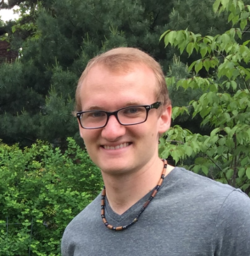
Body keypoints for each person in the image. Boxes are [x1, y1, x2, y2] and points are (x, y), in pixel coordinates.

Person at [61, 47, 250, 256]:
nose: (112, 131)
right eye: (96, 113)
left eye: (132, 111)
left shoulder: (228, 216)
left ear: (164, 117)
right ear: (80, 124)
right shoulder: (77, 236)